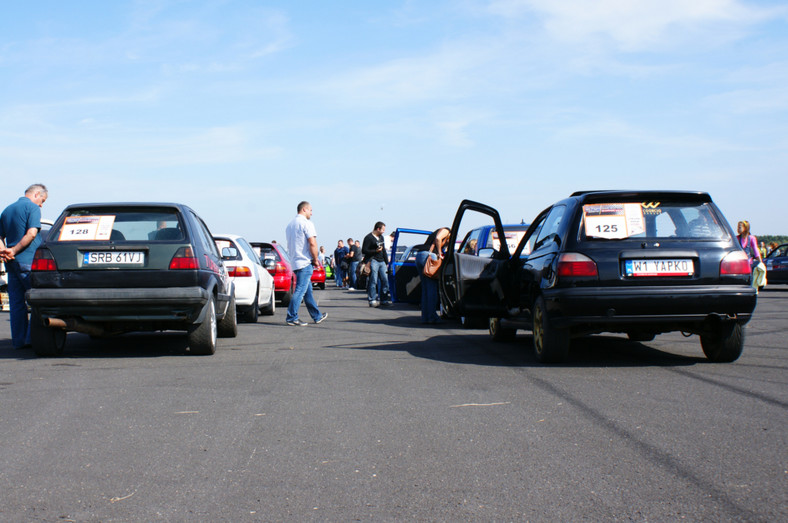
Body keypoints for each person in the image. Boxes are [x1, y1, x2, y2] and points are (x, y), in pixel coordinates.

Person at [0, 184, 48, 349]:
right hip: (28, 261)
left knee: (16, 303)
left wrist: (5, 252)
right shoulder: (32, 208)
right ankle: (31, 338)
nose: (41, 204)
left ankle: (19, 341)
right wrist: (13, 250)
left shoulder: (7, 209)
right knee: (38, 301)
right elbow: (32, 233)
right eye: (42, 200)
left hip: (11, 263)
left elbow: (0, 236)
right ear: (36, 194)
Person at [284, 201, 327, 326]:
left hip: (295, 262)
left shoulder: (290, 225)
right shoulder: (307, 223)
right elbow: (312, 243)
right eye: (310, 210)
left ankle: (317, 316)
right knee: (300, 291)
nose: (311, 213)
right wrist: (315, 259)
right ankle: (291, 317)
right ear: (304, 209)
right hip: (305, 262)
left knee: (307, 291)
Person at [414, 227, 451, 324]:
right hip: (430, 257)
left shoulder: (434, 233)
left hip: (420, 256)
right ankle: (432, 317)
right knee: (432, 289)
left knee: (426, 289)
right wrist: (439, 253)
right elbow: (438, 238)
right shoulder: (446, 230)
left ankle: (425, 317)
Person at [362, 221, 391, 307]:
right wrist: (375, 251)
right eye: (383, 230)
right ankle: (372, 300)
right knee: (373, 280)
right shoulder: (368, 238)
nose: (384, 232)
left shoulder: (381, 237)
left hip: (382, 261)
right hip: (373, 260)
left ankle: (384, 299)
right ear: (378, 229)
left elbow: (384, 251)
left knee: (385, 280)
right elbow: (364, 250)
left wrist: (387, 262)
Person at [737, 220, 764, 291]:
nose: (738, 229)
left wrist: (760, 262)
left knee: (750, 279)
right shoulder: (736, 238)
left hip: (748, 263)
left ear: (745, 228)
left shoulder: (751, 238)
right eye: (738, 227)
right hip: (739, 263)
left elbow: (756, 250)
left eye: (740, 227)